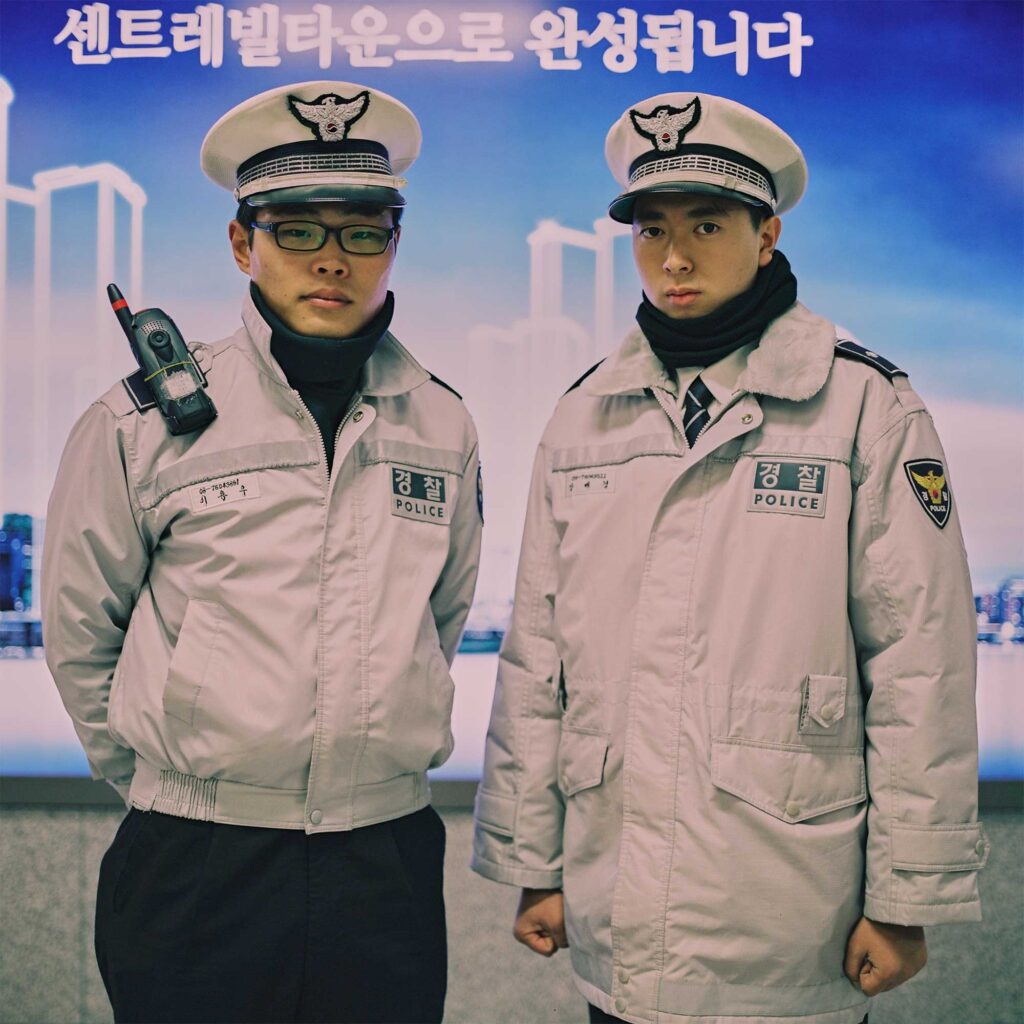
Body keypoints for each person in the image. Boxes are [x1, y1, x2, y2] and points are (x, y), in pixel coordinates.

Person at [471, 91, 988, 1024]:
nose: (674, 256)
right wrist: (530, 864)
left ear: (767, 231)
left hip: (789, 913)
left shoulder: (865, 406)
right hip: (615, 904)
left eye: (708, 224)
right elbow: (538, 656)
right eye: (652, 229)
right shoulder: (584, 414)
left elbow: (922, 665)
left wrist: (906, 897)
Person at [42, 80, 481, 1024]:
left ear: (392, 242)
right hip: (198, 861)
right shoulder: (140, 421)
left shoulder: (441, 423)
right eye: (296, 230)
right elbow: (81, 631)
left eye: (363, 230)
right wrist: (172, 781)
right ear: (244, 243)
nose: (333, 260)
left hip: (383, 858)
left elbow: (437, 621)